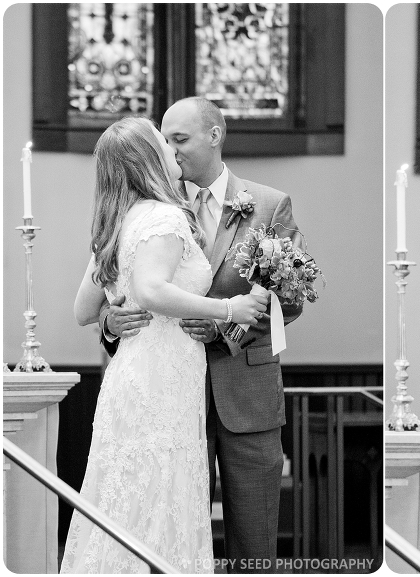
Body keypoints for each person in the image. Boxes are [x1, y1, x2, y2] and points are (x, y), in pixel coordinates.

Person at [99, 97, 304, 573]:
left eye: (180, 139)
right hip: (170, 403)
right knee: (173, 534)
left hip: (245, 398)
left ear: (215, 135)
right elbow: (117, 282)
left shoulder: (269, 205)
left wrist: (224, 327)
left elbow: (289, 298)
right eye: (165, 140)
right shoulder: (151, 208)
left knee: (254, 548)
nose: (170, 151)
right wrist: (111, 325)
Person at [63, 116, 265, 573]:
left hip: (134, 375)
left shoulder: (119, 222)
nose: (171, 149)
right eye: (161, 141)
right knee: (160, 492)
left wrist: (111, 312)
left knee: (130, 496)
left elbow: (81, 310)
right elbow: (152, 289)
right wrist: (229, 309)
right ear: (146, 159)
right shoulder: (165, 216)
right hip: (161, 382)